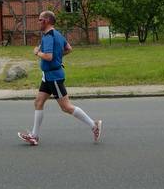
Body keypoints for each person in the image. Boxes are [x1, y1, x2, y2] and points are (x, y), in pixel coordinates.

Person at [18, 10, 102, 146]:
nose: (38, 22)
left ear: (46, 21)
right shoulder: (57, 34)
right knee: (38, 102)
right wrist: (58, 56)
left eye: (40, 20)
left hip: (54, 77)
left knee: (66, 107)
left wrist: (37, 52)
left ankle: (94, 125)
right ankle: (34, 136)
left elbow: (49, 56)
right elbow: (69, 48)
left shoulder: (48, 37)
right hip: (48, 76)